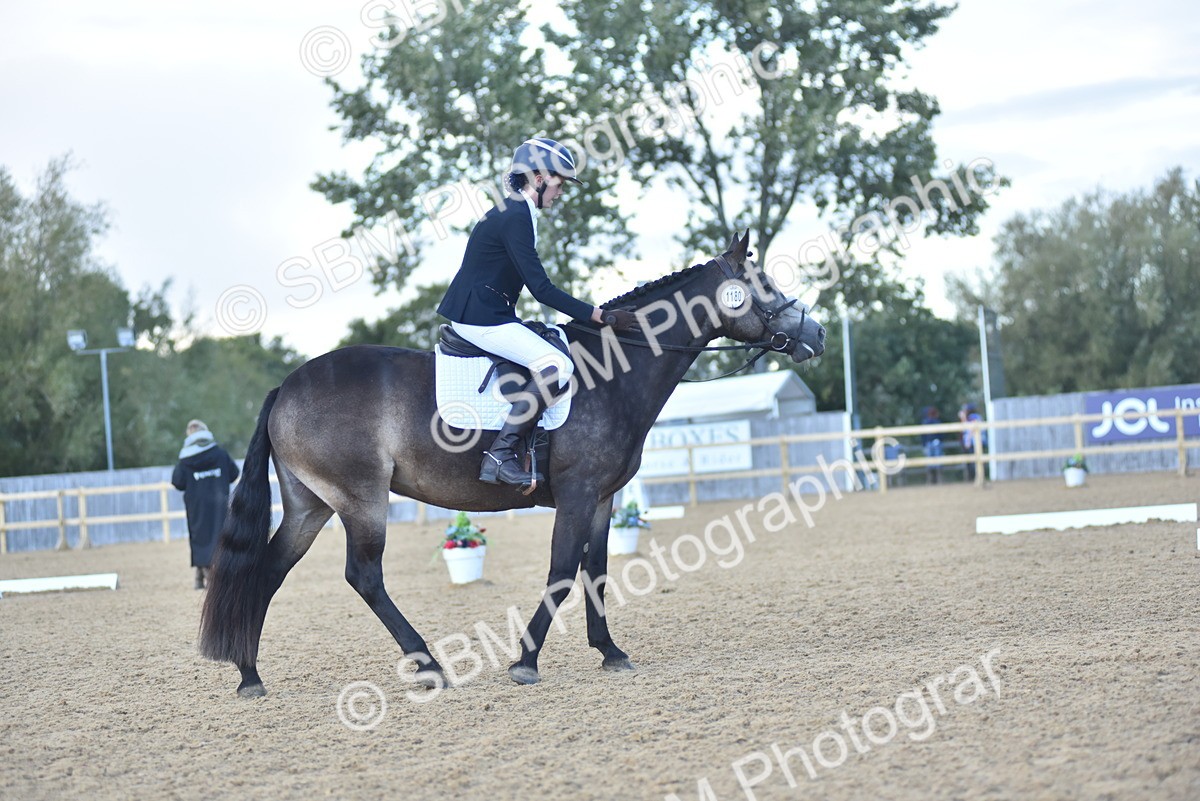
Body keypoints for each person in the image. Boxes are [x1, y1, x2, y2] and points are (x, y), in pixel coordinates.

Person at [436, 137, 639, 489]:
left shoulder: (518, 210)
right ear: (541, 176)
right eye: (559, 184)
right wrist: (600, 315)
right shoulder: (516, 214)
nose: (561, 193)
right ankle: (501, 453)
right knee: (557, 365)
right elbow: (541, 289)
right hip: (479, 317)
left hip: (489, 311)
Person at [171, 420, 240, 589]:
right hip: (219, 503)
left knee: (200, 538)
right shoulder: (220, 454)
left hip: (197, 507)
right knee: (220, 536)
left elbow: (177, 482)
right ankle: (208, 576)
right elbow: (234, 473)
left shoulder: (185, 459)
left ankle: (201, 578)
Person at [959, 403, 986, 482]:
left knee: (973, 462)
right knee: (977, 461)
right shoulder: (977, 416)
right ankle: (979, 477)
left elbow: (969, 429)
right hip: (979, 442)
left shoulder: (972, 417)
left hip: (973, 443)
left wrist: (967, 441)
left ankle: (976, 478)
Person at [920, 406, 943, 484]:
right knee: (934, 462)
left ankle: (934, 480)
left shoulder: (927, 422)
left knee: (934, 462)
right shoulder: (931, 422)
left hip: (931, 443)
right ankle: (933, 480)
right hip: (932, 443)